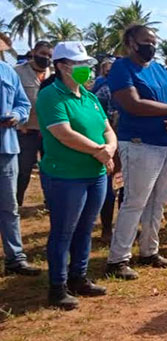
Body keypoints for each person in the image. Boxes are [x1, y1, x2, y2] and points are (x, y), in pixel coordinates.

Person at [36, 41, 116, 310]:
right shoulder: (51, 96)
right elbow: (63, 133)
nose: (85, 69)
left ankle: (78, 277)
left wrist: (109, 150)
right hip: (66, 176)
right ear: (61, 66)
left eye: (86, 64)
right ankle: (57, 287)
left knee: (85, 228)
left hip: (95, 174)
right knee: (63, 231)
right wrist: (99, 152)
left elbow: (108, 130)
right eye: (78, 64)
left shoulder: (89, 98)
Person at [105, 25, 167, 280]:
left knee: (159, 200)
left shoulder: (160, 69)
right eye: (145, 41)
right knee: (135, 202)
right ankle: (118, 259)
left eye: (153, 41)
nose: (150, 45)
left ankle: (149, 250)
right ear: (131, 42)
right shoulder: (122, 68)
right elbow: (133, 104)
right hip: (140, 144)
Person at [0, 50, 40, 277]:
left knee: (9, 207)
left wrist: (17, 115)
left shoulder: (8, 71)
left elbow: (22, 103)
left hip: (6, 148)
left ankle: (15, 258)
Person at [14, 40, 52, 206]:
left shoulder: (53, 74)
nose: (46, 58)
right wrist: (19, 124)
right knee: (23, 170)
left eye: (49, 55)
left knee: (50, 169)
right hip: (25, 130)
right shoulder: (17, 72)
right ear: (34, 52)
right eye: (43, 54)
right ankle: (15, 204)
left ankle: (50, 202)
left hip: (50, 132)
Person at [94, 56, 120, 244]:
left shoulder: (131, 87)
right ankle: (106, 229)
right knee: (111, 188)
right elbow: (100, 121)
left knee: (125, 187)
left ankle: (122, 227)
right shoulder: (103, 90)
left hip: (129, 144)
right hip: (110, 145)